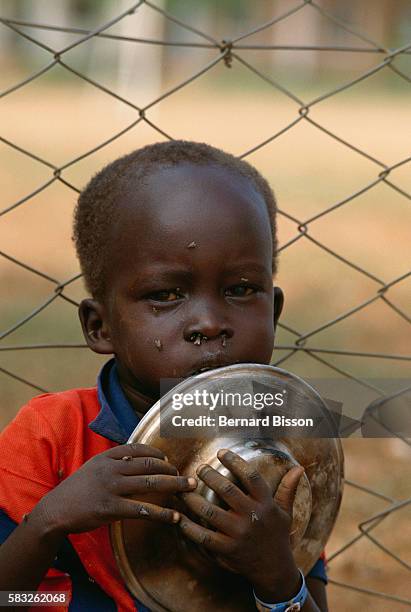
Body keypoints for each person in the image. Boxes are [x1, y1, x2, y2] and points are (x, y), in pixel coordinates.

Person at [0, 141, 328, 611]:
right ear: (101, 326)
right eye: (165, 295)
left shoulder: (286, 450)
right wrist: (48, 522)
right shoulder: (51, 439)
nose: (209, 323)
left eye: (240, 289)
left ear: (273, 311)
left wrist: (276, 576)